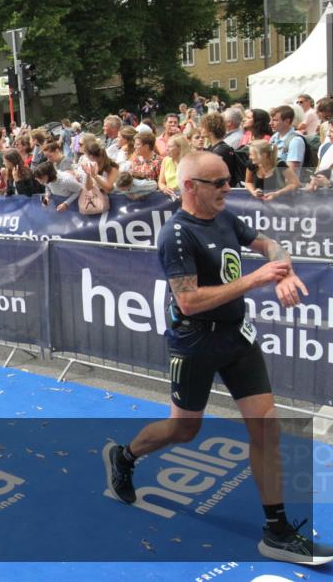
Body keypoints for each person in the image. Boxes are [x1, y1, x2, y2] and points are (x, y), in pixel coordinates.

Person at [104, 150, 331, 566]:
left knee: (267, 430)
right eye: (220, 183)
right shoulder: (176, 234)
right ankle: (126, 455)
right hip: (194, 343)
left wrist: (285, 269)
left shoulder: (225, 217)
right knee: (183, 429)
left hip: (237, 338)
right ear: (191, 188)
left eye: (229, 180)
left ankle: (277, 533)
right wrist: (256, 279)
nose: (230, 188)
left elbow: (270, 244)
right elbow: (188, 302)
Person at [268, 105, 306, 178]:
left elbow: (291, 171)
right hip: (273, 182)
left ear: (287, 121)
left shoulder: (295, 141)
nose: (270, 123)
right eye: (270, 120)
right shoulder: (273, 138)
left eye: (275, 120)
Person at [157, 135, 190, 199]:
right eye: (166, 146)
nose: (166, 149)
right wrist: (164, 188)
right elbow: (161, 183)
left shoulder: (189, 163)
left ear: (179, 148)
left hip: (186, 198)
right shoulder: (166, 160)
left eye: (169, 146)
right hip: (171, 198)